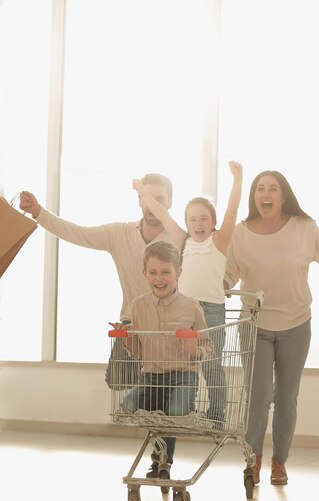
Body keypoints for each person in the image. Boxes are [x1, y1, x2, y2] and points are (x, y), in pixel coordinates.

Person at [224, 170, 319, 486]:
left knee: (286, 397)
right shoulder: (241, 233)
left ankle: (279, 461)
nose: (265, 194)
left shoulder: (304, 228)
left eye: (272, 188)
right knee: (258, 395)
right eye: (260, 189)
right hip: (254, 325)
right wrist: (208, 291)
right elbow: (227, 276)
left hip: (296, 324)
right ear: (255, 197)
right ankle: (253, 458)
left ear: (283, 196)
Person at [19, 175, 173, 387]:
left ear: (170, 203)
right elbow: (78, 233)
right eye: (147, 198)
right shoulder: (119, 233)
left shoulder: (179, 238)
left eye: (159, 199)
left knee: (166, 387)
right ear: (139, 201)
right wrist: (39, 212)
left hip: (169, 325)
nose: (153, 205)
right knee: (118, 381)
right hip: (133, 322)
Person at [132, 161, 243, 425]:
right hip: (184, 310)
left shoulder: (219, 241)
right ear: (186, 223)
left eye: (204, 218)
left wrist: (238, 180)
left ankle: (216, 415)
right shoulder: (183, 241)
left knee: (211, 364)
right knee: (183, 362)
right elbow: (161, 212)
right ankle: (185, 407)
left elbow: (232, 210)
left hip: (212, 310)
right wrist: (142, 192)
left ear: (213, 223)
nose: (198, 223)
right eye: (192, 219)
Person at [112, 241, 212, 479]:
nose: (160, 278)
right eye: (154, 272)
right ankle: (160, 448)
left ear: (178, 272)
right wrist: (126, 337)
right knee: (126, 408)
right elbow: (137, 352)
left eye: (166, 272)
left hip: (182, 375)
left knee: (175, 412)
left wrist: (194, 350)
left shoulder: (191, 306)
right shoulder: (138, 306)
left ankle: (162, 462)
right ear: (144, 274)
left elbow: (208, 344)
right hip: (152, 375)